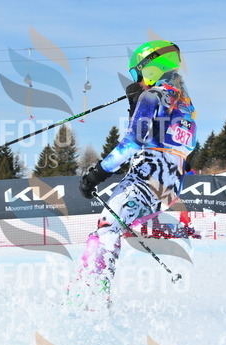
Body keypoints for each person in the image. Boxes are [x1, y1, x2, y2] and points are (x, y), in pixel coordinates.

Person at [72, 40, 197, 308]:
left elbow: (132, 143)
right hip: (169, 192)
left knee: (105, 232)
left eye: (137, 73)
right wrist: (135, 107)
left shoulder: (151, 97)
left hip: (142, 183)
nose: (138, 81)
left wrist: (96, 175)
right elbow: (179, 148)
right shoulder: (187, 107)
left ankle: (89, 301)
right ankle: (90, 297)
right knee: (109, 231)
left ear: (150, 68)